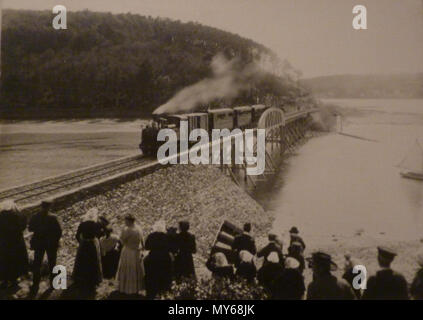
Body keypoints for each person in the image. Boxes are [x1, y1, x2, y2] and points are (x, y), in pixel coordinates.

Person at [28, 199, 62, 296]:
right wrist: (55, 240)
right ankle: (53, 283)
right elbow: (59, 232)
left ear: (41, 206)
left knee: (37, 263)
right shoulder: (54, 218)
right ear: (49, 207)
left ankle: (35, 284)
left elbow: (30, 228)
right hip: (51, 244)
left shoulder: (35, 216)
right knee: (52, 263)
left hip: (39, 243)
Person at [72, 208, 103, 293]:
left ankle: (81, 279)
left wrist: (81, 241)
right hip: (92, 244)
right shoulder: (97, 224)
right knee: (93, 261)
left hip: (84, 244)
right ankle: (92, 281)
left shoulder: (83, 224)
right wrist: (96, 239)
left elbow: (77, 235)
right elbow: (101, 233)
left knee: (82, 261)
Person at [0, 200, 29, 289]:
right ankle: (14, 279)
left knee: (4, 261)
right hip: (17, 243)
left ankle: (4, 279)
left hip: (3, 243)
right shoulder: (19, 216)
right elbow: (24, 225)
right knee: (16, 260)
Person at [116, 214, 145, 295]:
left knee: (128, 269)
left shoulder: (127, 230)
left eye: (125, 220)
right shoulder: (139, 228)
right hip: (137, 251)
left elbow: (121, 240)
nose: (124, 222)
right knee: (135, 269)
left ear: (129, 221)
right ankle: (136, 288)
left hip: (128, 251)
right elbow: (143, 241)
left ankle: (127, 288)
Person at [144, 220, 173, 299]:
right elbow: (170, 248)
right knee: (164, 275)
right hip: (165, 258)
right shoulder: (167, 237)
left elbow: (147, 246)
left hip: (153, 257)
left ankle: (151, 291)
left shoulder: (151, 236)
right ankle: (163, 290)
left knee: (151, 275)